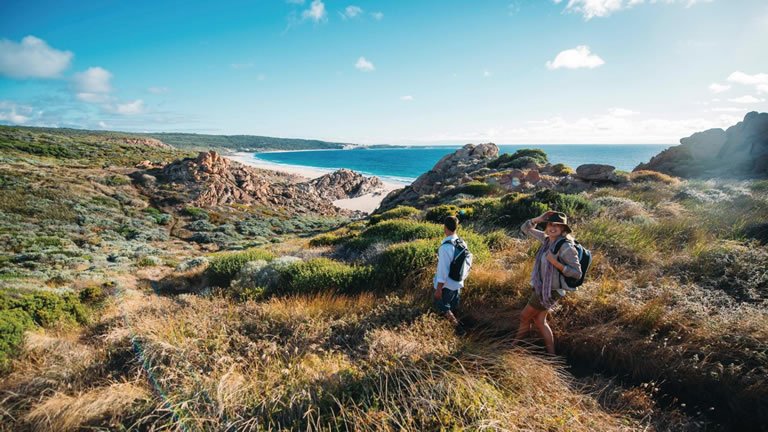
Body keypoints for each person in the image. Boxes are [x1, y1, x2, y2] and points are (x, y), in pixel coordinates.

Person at [515, 210, 582, 354]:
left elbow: (577, 273)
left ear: (563, 229)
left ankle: (515, 347)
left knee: (524, 316)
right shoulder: (547, 239)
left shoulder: (566, 246)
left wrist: (556, 263)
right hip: (543, 288)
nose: (552, 227)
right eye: (550, 224)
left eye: (557, 226)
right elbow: (525, 228)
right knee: (540, 321)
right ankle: (551, 355)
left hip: (550, 290)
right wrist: (539, 218)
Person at [433, 215, 467, 335]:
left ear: (445, 227)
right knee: (453, 307)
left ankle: (459, 330)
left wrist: (438, 288)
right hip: (457, 283)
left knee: (443, 308)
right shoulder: (462, 243)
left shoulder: (445, 247)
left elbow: (443, 270)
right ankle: (455, 330)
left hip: (446, 285)